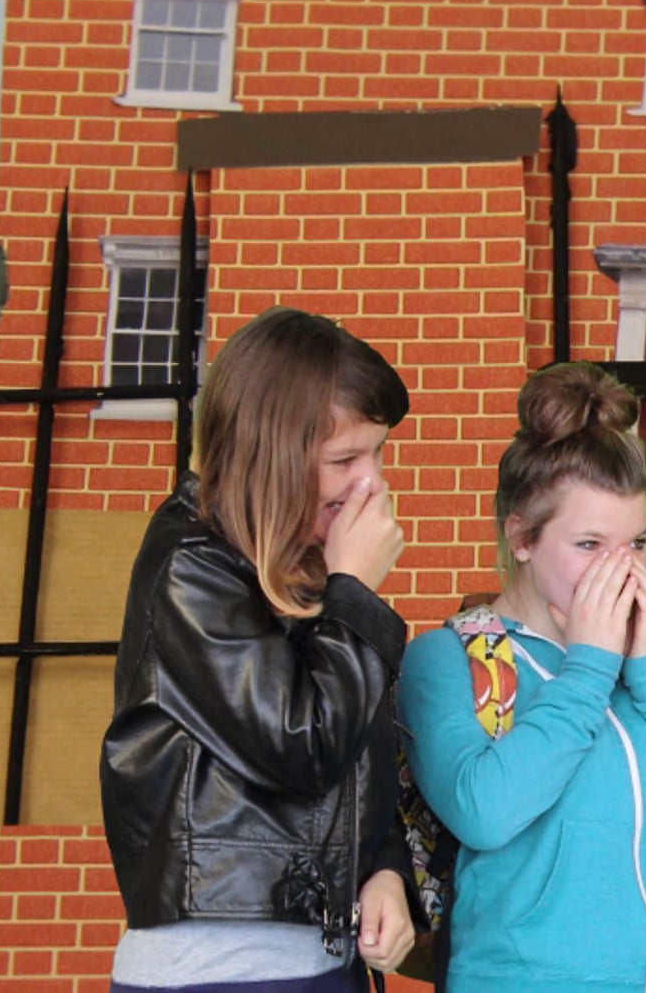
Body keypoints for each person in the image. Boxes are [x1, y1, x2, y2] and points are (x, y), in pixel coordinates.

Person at [396, 362, 646, 993]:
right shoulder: (450, 657)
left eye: (637, 544)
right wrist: (590, 668)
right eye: (590, 545)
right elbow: (483, 812)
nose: (620, 571)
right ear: (522, 537)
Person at [101, 306, 419, 992]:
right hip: (219, 973)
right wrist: (355, 592)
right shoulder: (193, 566)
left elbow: (355, 759)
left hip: (322, 963)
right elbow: (302, 745)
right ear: (270, 452)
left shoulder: (306, 573)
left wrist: (385, 870)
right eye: (345, 459)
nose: (371, 482)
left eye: (378, 452)